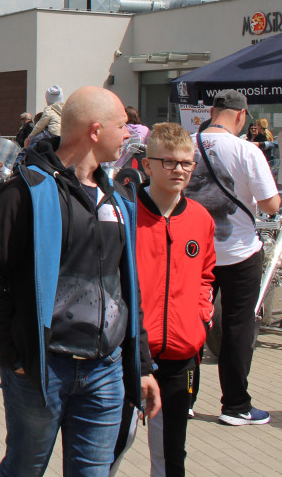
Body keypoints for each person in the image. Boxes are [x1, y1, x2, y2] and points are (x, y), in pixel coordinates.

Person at [0, 86, 160, 476]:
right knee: (25, 467)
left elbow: (128, 285)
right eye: (122, 126)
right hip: (41, 370)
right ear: (95, 130)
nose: (129, 134)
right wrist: (12, 353)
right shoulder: (27, 190)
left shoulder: (119, 196)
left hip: (105, 370)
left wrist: (140, 364)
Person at [184, 89, 280, 425]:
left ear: (212, 111)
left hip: (192, 250)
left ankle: (184, 398)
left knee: (190, 319)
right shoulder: (245, 150)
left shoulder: (186, 144)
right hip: (239, 251)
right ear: (241, 115)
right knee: (239, 326)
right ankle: (236, 405)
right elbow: (270, 205)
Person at [134, 123, 215, 476]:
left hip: (181, 355)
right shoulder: (124, 212)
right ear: (147, 165)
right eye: (168, 162)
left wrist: (199, 316)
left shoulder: (200, 218)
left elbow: (207, 275)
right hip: (130, 354)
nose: (179, 169)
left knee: (171, 456)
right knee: (110, 448)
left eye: (186, 163)